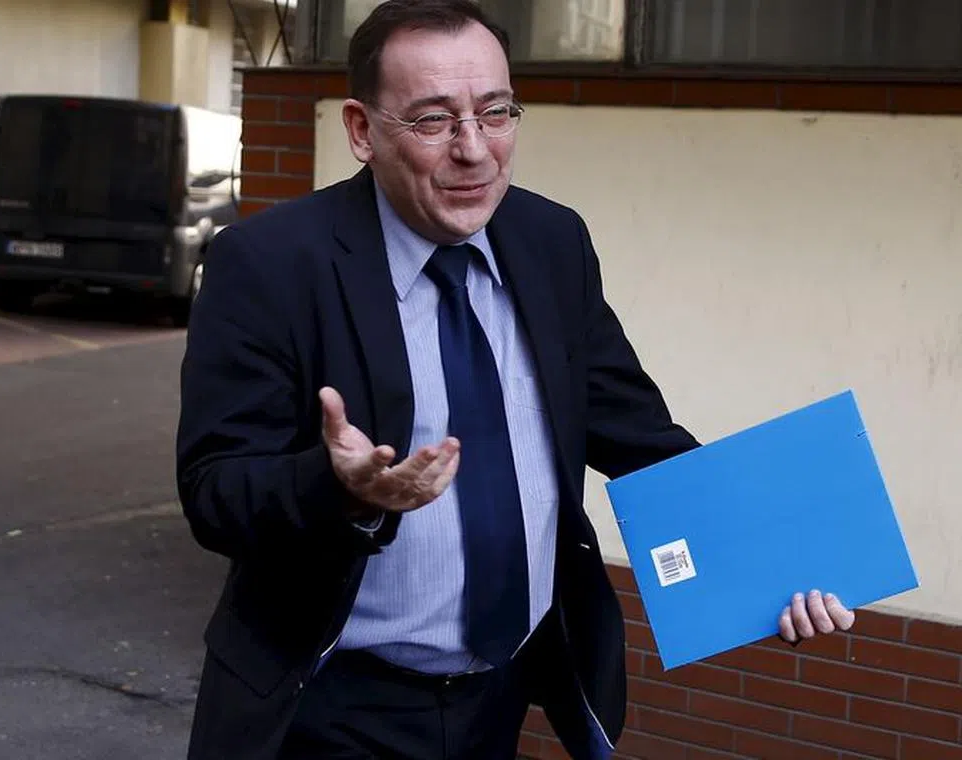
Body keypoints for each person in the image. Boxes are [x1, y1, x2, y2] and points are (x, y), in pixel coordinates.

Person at [175, 1, 856, 758]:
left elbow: (640, 438)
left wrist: (777, 565)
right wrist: (341, 489)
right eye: (434, 120)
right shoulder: (268, 265)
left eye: (496, 112)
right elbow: (214, 492)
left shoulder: (551, 242)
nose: (475, 150)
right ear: (363, 131)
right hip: (329, 706)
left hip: (497, 700)